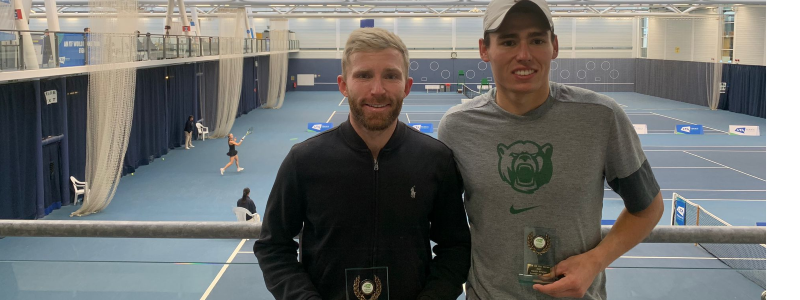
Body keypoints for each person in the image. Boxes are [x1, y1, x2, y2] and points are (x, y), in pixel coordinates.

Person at [437, 0, 664, 299]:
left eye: (537, 40)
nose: (524, 55)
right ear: (484, 50)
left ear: (554, 46)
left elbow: (648, 208)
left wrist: (594, 262)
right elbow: (445, 231)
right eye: (508, 41)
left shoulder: (601, 117)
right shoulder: (456, 128)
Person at [253, 27, 471, 300]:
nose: (377, 90)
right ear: (343, 85)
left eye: (390, 76)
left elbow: (455, 247)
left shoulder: (436, 160)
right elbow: (273, 247)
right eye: (364, 75)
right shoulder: (304, 161)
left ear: (407, 86)